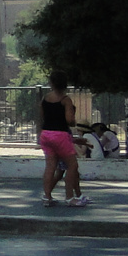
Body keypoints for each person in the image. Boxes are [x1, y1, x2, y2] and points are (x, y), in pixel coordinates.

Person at [38, 70, 87, 208]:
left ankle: (47, 197)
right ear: (65, 84)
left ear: (51, 83)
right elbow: (69, 120)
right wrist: (72, 121)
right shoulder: (66, 100)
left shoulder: (45, 98)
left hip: (46, 134)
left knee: (50, 167)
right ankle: (69, 197)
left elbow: (42, 114)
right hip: (60, 135)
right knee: (72, 166)